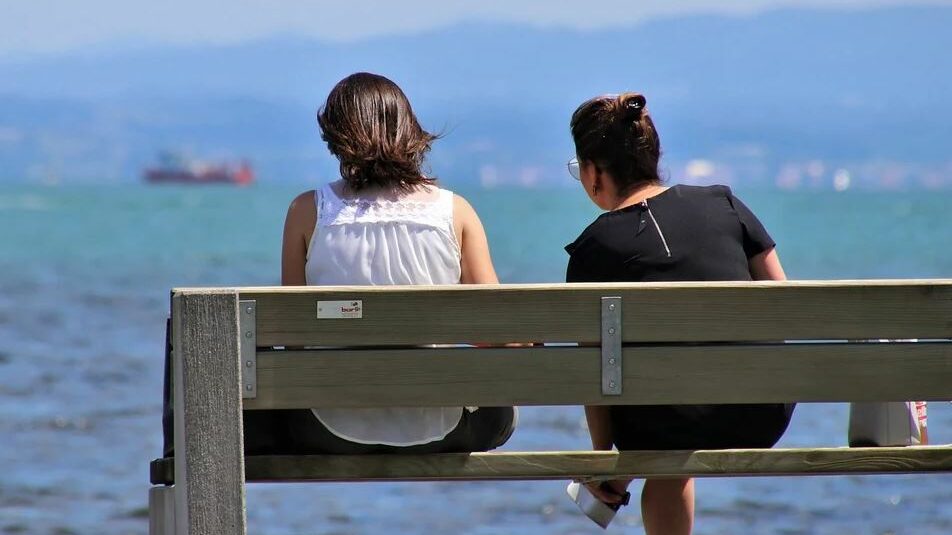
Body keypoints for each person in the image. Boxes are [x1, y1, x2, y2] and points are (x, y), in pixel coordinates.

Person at [564, 92, 795, 534]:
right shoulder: (725, 203)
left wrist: (604, 458)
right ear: (652, 155)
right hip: (763, 411)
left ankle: (621, 478)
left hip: (669, 423)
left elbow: (594, 371)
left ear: (593, 173)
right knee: (677, 405)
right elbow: (783, 303)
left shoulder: (594, 248)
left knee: (666, 423)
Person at [279, 72, 515, 454]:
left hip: (330, 427)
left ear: (336, 139)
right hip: (443, 425)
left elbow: (294, 338)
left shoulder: (307, 211)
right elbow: (498, 330)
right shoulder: (455, 212)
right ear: (409, 130)